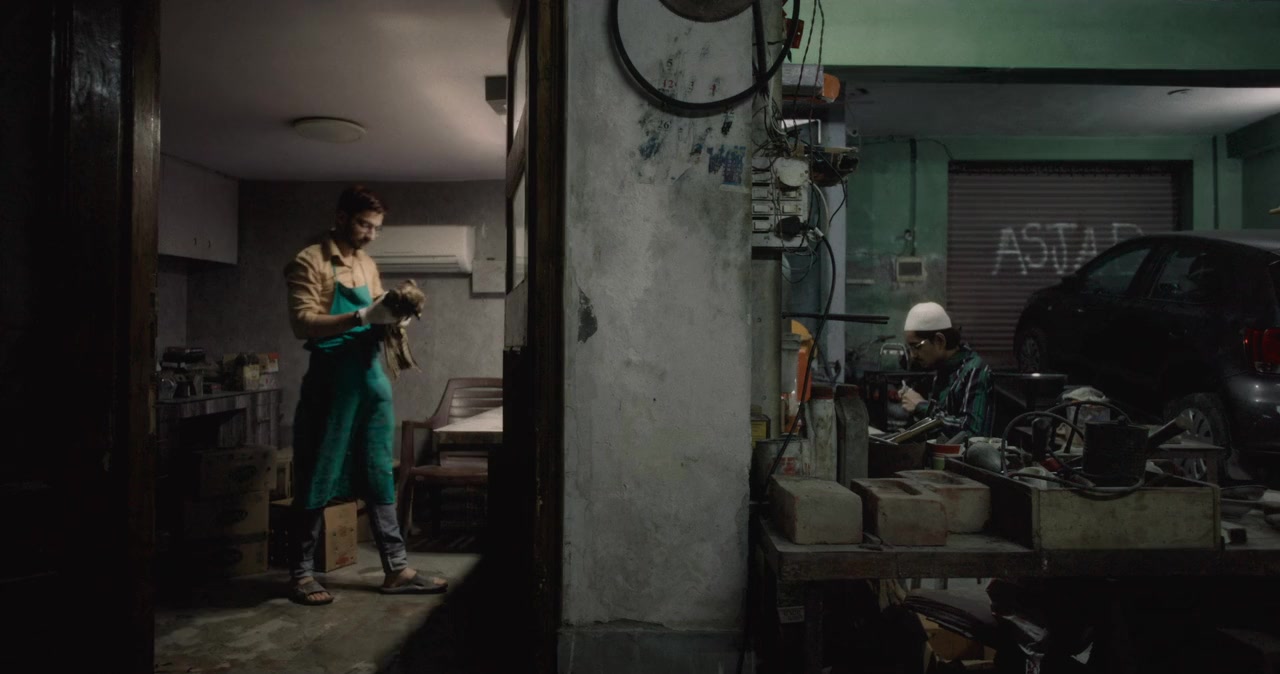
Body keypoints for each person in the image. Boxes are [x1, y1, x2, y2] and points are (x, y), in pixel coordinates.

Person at [283, 185, 447, 605]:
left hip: (372, 380)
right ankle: (301, 574)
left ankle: (396, 569)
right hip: (332, 382)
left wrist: (394, 315)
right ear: (341, 218)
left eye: (376, 227)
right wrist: (359, 315)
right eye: (363, 224)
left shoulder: (367, 263)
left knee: (378, 470)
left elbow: (377, 313)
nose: (371, 234)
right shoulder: (309, 261)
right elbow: (302, 323)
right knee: (319, 471)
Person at [899, 301, 993, 443]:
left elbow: (971, 433)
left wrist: (921, 406)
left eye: (916, 347)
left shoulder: (974, 370)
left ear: (939, 341)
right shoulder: (941, 368)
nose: (912, 355)